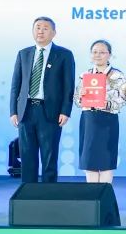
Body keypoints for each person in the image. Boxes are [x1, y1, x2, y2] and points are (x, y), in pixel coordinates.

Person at [9, 16, 76, 183]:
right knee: (27, 156)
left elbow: (69, 86)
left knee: (49, 156)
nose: (40, 31)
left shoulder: (64, 54)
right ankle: (28, 192)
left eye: (45, 28)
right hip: (26, 111)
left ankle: (49, 193)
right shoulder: (23, 54)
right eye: (37, 27)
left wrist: (65, 111)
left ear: (54, 33)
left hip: (50, 112)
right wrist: (13, 111)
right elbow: (16, 85)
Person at [72, 39, 126, 183]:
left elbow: (125, 98)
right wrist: (81, 96)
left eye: (102, 52)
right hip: (88, 120)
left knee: (106, 160)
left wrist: (106, 103)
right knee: (88, 159)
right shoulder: (85, 75)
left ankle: (104, 193)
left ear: (109, 55)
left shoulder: (117, 75)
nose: (98, 55)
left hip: (108, 120)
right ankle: (92, 194)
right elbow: (77, 100)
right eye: (95, 52)